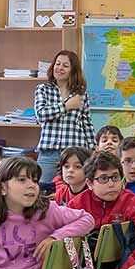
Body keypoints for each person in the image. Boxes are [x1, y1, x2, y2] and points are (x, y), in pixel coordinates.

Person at [34, 50, 94, 185]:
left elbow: (87, 123)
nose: (59, 68)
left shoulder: (80, 93)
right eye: (57, 64)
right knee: (43, 190)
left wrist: (93, 149)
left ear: (73, 70)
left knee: (74, 192)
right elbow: (41, 114)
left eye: (65, 66)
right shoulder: (43, 89)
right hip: (49, 152)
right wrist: (66, 106)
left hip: (76, 153)